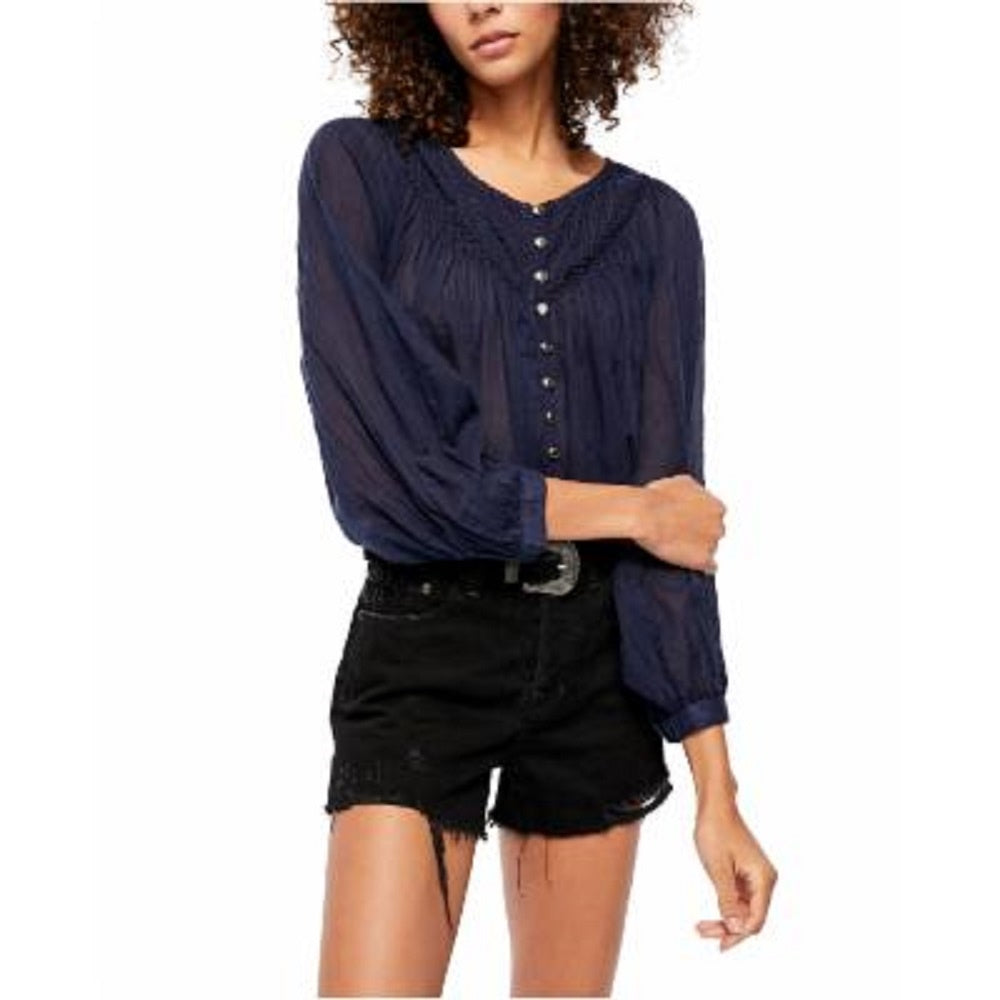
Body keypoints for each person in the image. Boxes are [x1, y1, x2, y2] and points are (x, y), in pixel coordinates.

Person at [296, 3, 777, 995]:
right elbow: (386, 483)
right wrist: (631, 512)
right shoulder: (362, 171)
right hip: (428, 646)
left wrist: (717, 789)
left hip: (600, 671)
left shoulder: (656, 226)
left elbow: (676, 530)